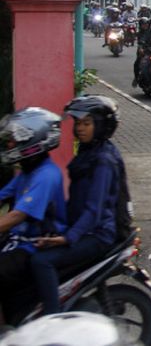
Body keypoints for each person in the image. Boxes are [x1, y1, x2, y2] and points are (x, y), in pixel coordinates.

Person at [29, 96, 125, 316]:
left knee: (41, 261)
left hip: (97, 234)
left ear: (101, 125)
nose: (80, 128)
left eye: (87, 123)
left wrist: (68, 238)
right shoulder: (88, 151)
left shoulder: (103, 161)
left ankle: (53, 319)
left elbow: (94, 210)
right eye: (78, 123)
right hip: (79, 227)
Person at [0, 108, 68, 325]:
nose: (10, 145)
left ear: (33, 141)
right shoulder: (27, 172)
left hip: (34, 246)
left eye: (15, 140)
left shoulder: (46, 175)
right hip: (17, 242)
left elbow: (17, 216)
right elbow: (3, 195)